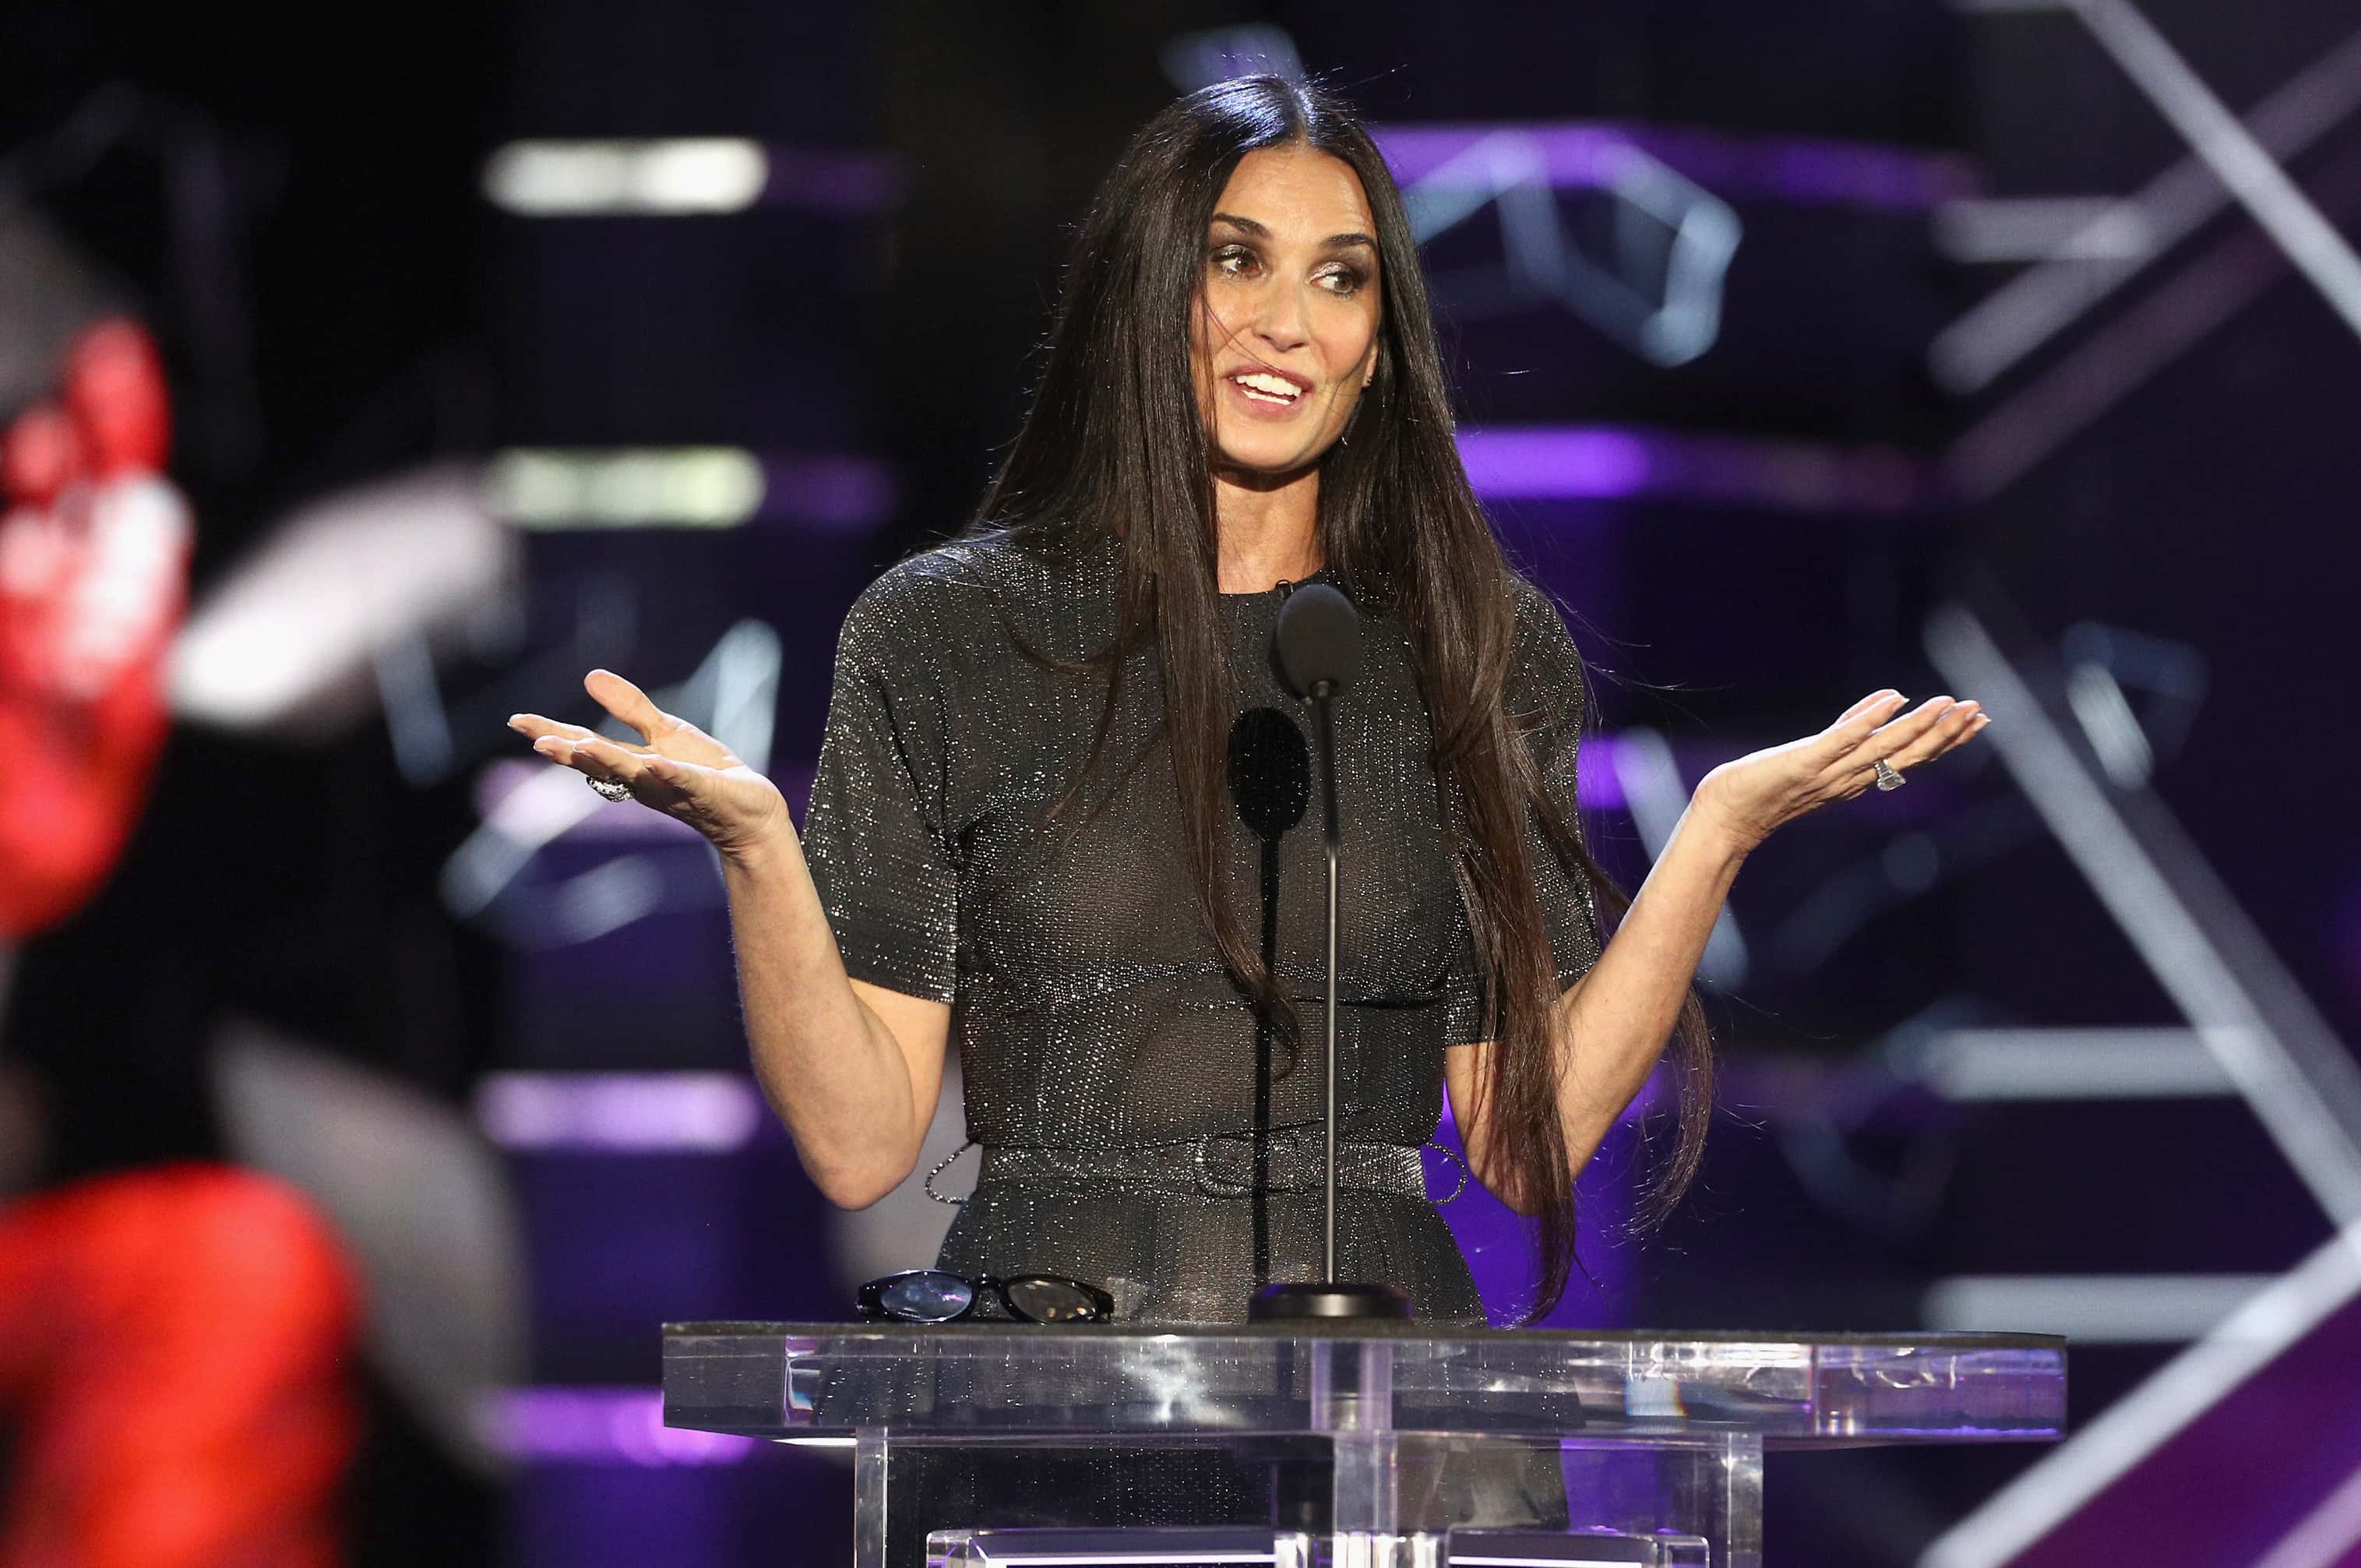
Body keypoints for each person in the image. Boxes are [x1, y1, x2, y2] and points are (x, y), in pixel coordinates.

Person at [508, 74, 1988, 1533]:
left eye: (1340, 278)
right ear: (1150, 295)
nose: (1288, 319)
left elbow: (1519, 1146)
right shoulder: (951, 633)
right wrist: (760, 850)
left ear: (1380, 348)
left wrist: (1712, 833)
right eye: (1237, 260)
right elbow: (858, 1143)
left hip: (1396, 1412)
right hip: (1056, 1383)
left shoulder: (1472, 647)